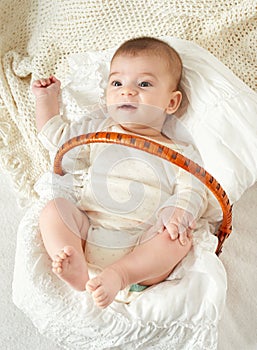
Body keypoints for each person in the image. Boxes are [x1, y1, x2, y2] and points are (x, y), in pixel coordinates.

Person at [32, 37, 208, 308]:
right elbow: (58, 140)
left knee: (177, 240)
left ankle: (121, 274)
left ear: (171, 103)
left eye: (144, 84)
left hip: (144, 248)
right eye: (117, 83)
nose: (127, 92)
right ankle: (74, 264)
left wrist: (178, 210)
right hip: (89, 231)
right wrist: (46, 100)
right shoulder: (98, 133)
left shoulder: (179, 152)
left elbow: (194, 188)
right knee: (54, 209)